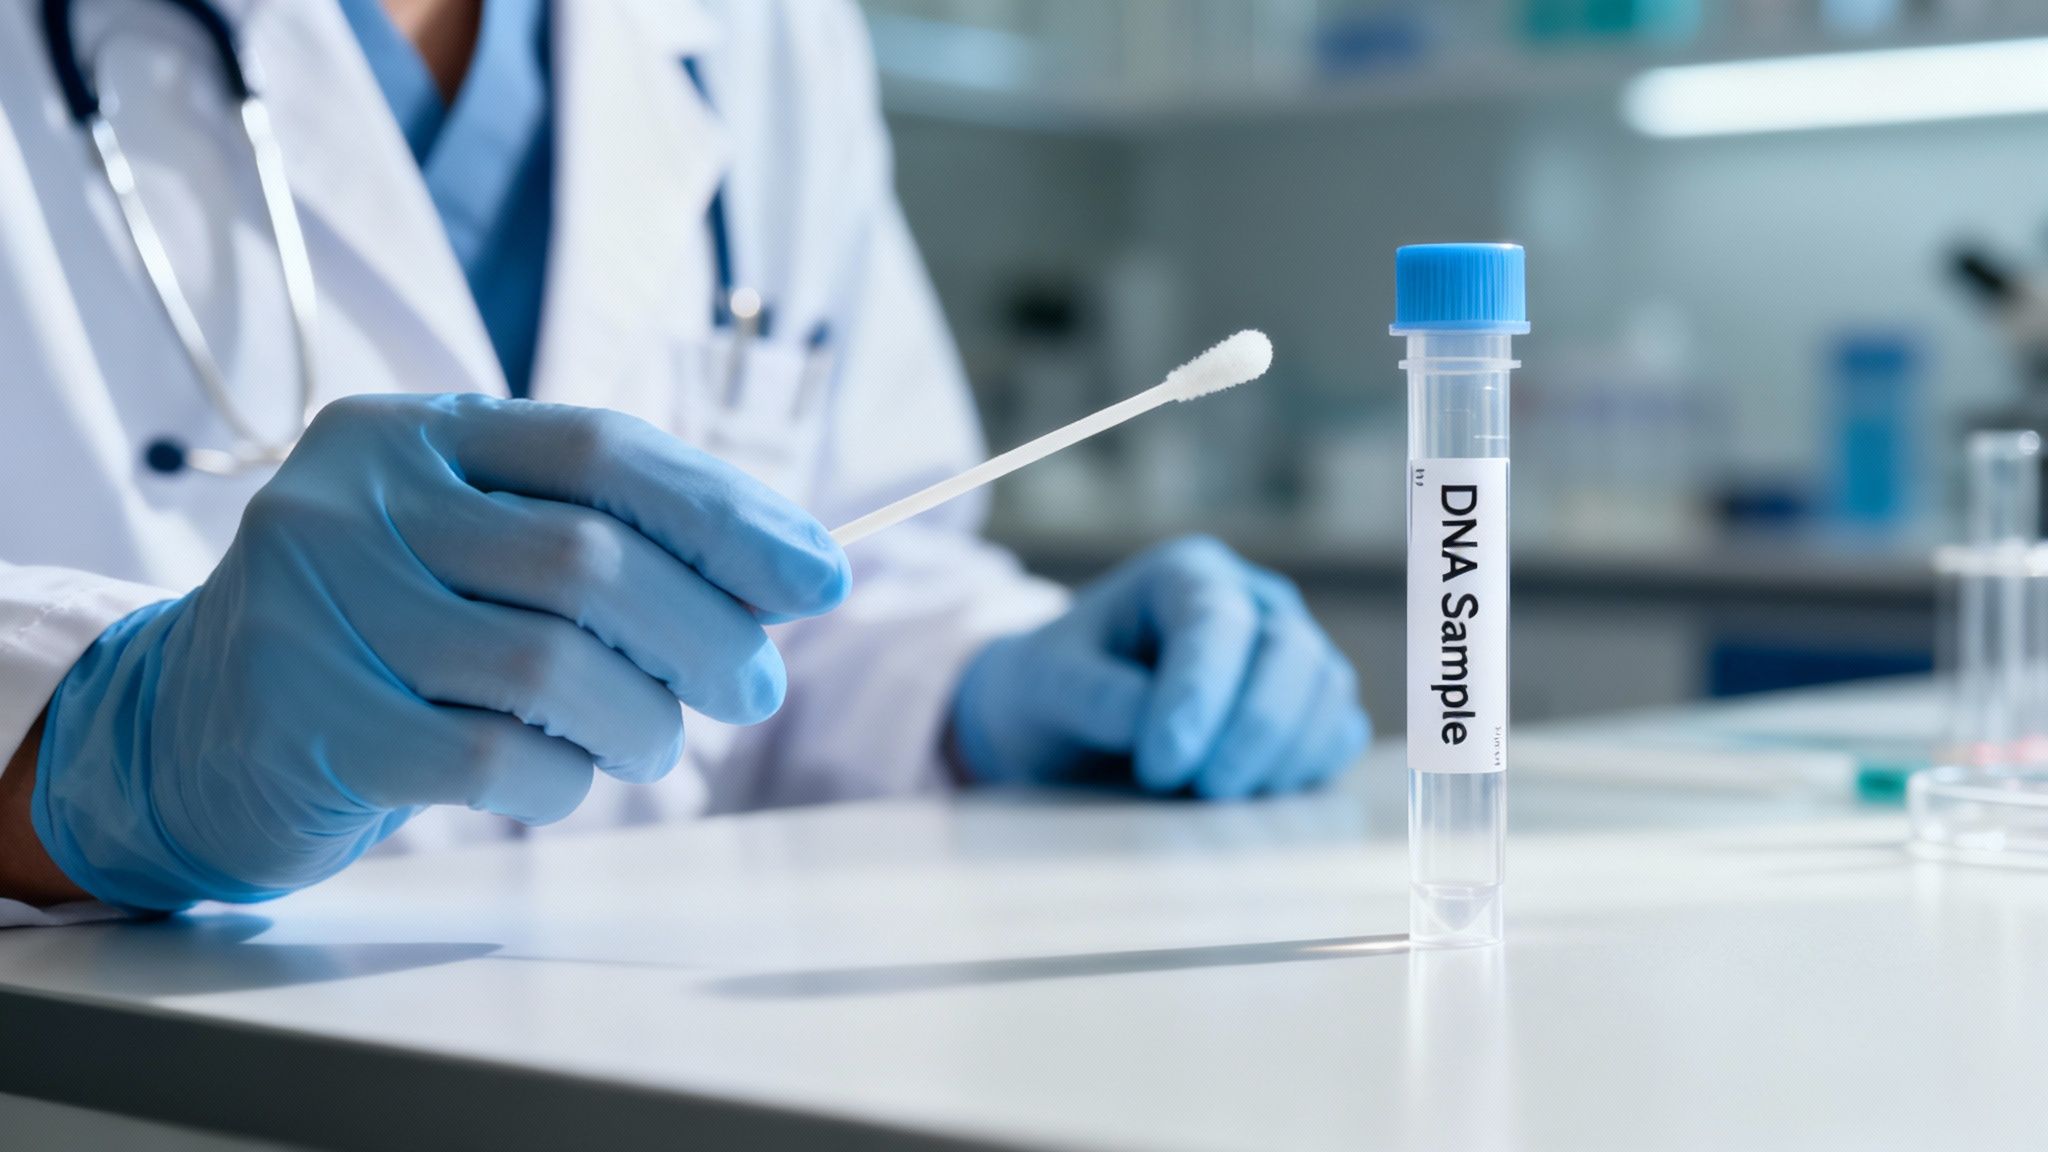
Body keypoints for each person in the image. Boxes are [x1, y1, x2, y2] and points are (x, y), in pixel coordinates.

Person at [0, 0, 1369, 924]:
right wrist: (104, 746)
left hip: (648, 1033)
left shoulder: (762, 30)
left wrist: (987, 684)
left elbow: (843, 556)